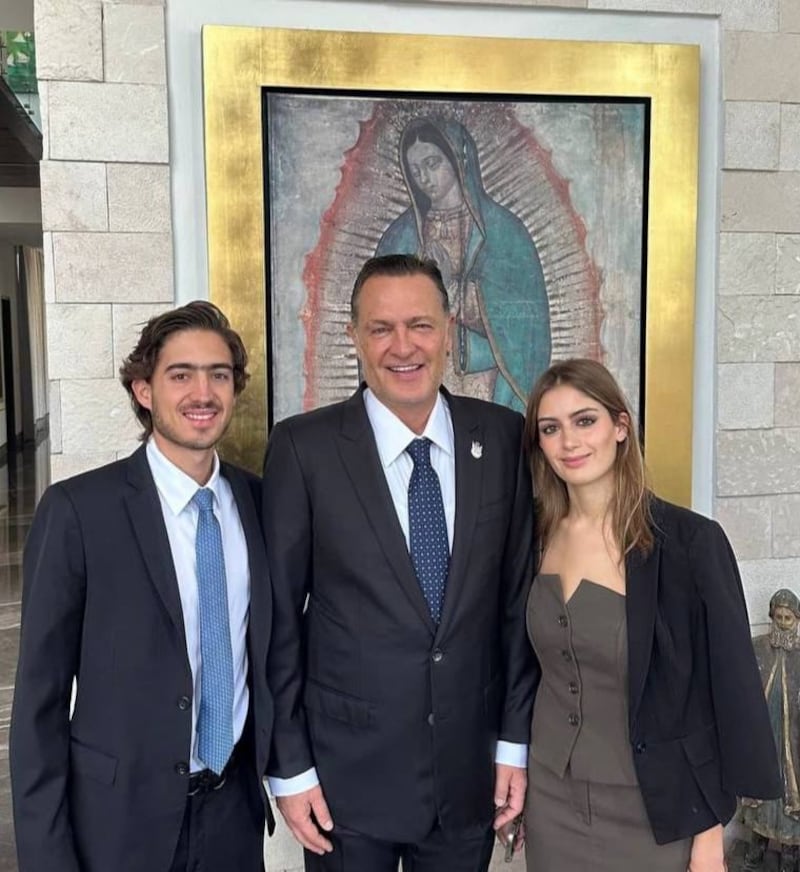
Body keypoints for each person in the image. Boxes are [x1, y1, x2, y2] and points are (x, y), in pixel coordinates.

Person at [263, 253, 536, 871]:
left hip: (471, 778)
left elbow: (517, 606)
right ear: (355, 338)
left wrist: (514, 744)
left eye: (420, 324)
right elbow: (278, 620)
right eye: (381, 328)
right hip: (343, 784)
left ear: (446, 331)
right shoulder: (303, 450)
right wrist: (290, 767)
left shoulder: (501, 439)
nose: (402, 346)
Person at [10, 302, 274, 872]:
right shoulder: (80, 511)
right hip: (117, 821)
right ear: (144, 390)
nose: (202, 392)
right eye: (181, 375)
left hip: (234, 815)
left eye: (219, 374)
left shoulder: (259, 503)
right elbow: (39, 705)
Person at [518, 358, 780, 872]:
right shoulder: (532, 537)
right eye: (551, 428)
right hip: (551, 800)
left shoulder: (689, 544)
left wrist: (708, 838)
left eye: (585, 420)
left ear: (620, 427)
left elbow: (719, 692)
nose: (569, 441)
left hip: (655, 809)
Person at [376, 116, 551, 411]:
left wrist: (448, 287)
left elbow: (525, 328)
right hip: (423, 383)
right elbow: (381, 319)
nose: (425, 179)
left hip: (490, 385)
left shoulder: (505, 233)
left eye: (433, 163)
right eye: (416, 170)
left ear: (458, 160)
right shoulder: (400, 238)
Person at [740, 588, 800, 872]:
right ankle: (758, 842)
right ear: (771, 616)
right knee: (760, 793)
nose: (783, 622)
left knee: (792, 791)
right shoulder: (755, 647)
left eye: (789, 618)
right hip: (763, 735)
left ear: (797, 620)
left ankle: (790, 849)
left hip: (794, 739)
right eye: (779, 616)